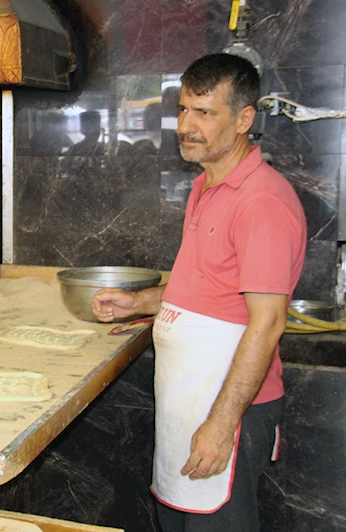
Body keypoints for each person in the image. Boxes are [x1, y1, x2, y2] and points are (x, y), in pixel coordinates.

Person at [92, 54, 306, 531]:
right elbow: (203, 287)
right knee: (178, 522)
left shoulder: (261, 201)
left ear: (244, 118)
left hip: (227, 403)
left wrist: (221, 424)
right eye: (185, 109)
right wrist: (141, 303)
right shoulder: (207, 186)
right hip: (187, 399)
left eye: (205, 113)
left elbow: (267, 322)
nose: (187, 125)